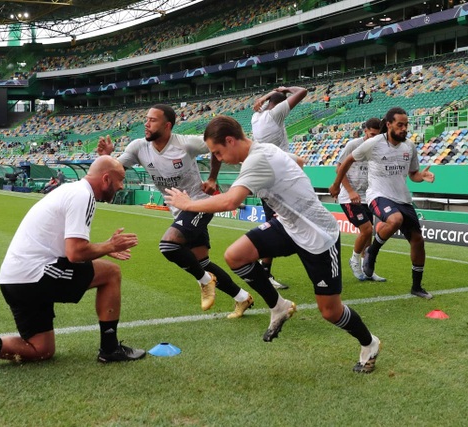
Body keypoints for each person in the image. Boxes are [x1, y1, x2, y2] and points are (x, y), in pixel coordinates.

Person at [165, 116, 381, 373]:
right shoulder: (265, 150)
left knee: (330, 311)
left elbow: (231, 202)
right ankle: (278, 306)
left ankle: (370, 343)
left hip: (318, 236)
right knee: (236, 256)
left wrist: (187, 205)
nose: (218, 159)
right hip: (288, 226)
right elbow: (298, 162)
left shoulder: (258, 159)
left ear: (231, 141)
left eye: (218, 152)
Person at [0, 156, 146, 378]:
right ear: (106, 179)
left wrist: (105, 247)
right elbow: (75, 253)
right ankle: (110, 348)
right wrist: (108, 246)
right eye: (121, 180)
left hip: (13, 280)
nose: (122, 186)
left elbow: (67, 248)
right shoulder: (83, 195)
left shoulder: (71, 190)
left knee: (41, 349)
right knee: (111, 273)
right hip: (35, 274)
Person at [97, 104, 254, 319]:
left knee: (168, 246)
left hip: (199, 203)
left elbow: (215, 148)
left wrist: (212, 179)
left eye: (152, 120)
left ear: (167, 125)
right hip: (178, 211)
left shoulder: (185, 143)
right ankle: (242, 297)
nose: (146, 123)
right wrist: (106, 157)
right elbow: (116, 169)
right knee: (202, 262)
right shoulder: (138, 147)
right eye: (146, 118)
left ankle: (206, 282)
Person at [329, 107, 435, 299]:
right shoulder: (374, 143)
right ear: (389, 124)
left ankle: (416, 287)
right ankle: (372, 252)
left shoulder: (409, 146)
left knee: (418, 241)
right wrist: (336, 185)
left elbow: (413, 175)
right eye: (399, 125)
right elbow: (346, 161)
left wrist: (422, 176)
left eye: (406, 125)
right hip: (378, 194)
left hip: (403, 198)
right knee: (394, 220)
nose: (404, 129)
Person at [251, 85, 308, 290]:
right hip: (279, 177)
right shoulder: (275, 114)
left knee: (276, 223)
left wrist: (268, 95)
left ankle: (263, 270)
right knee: (287, 224)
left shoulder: (256, 118)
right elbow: (302, 91)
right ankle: (259, 268)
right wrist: (285, 89)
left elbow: (257, 106)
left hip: (266, 177)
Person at [335, 117, 386, 282]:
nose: (374, 138)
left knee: (368, 233)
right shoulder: (353, 145)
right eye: (371, 134)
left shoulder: (378, 147)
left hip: (367, 196)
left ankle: (367, 268)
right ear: (365, 131)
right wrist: (350, 191)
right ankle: (354, 260)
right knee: (366, 229)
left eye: (377, 135)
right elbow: (339, 168)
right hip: (349, 197)